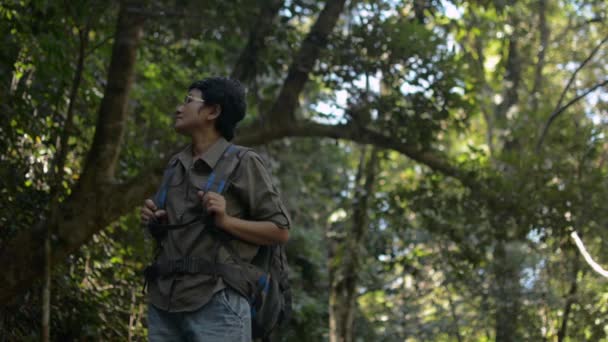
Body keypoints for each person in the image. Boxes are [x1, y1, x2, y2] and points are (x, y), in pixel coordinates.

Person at [140, 77, 291, 342]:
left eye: (189, 101)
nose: (179, 108)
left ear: (213, 111)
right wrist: (155, 220)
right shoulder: (176, 165)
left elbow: (280, 230)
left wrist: (226, 220)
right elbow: (172, 233)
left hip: (218, 300)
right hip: (164, 302)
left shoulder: (243, 161)